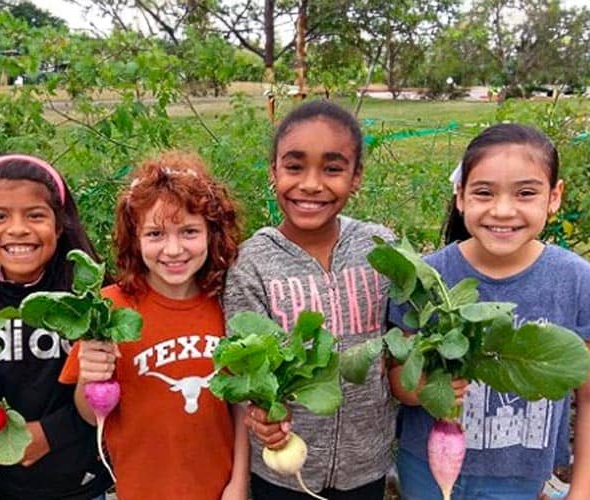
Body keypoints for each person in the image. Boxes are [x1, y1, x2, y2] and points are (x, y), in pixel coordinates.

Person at [390, 123, 590, 499]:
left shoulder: (576, 281)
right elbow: (398, 378)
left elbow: (588, 393)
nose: (502, 210)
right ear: (461, 195)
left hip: (519, 475)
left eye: (526, 193)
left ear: (554, 196)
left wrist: (582, 489)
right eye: (484, 193)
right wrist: (424, 389)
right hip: (426, 464)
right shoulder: (425, 277)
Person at [223, 100, 395, 500]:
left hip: (366, 464)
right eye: (295, 167)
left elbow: (403, 341)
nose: (312, 184)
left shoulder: (381, 248)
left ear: (356, 177)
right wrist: (262, 415)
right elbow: (242, 370)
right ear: (274, 172)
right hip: (282, 466)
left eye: (332, 169)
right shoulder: (253, 264)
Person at [59, 150, 249, 500]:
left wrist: (239, 484)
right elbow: (90, 415)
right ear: (134, 238)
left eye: (189, 231)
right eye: (156, 234)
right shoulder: (109, 309)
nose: (173, 249)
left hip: (220, 490)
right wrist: (90, 374)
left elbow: (241, 405)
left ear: (213, 232)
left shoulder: (228, 304)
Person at [0, 154, 112, 500]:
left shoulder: (89, 291)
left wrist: (50, 433)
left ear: (60, 224)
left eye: (35, 215)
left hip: (84, 480)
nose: (17, 229)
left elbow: (109, 392)